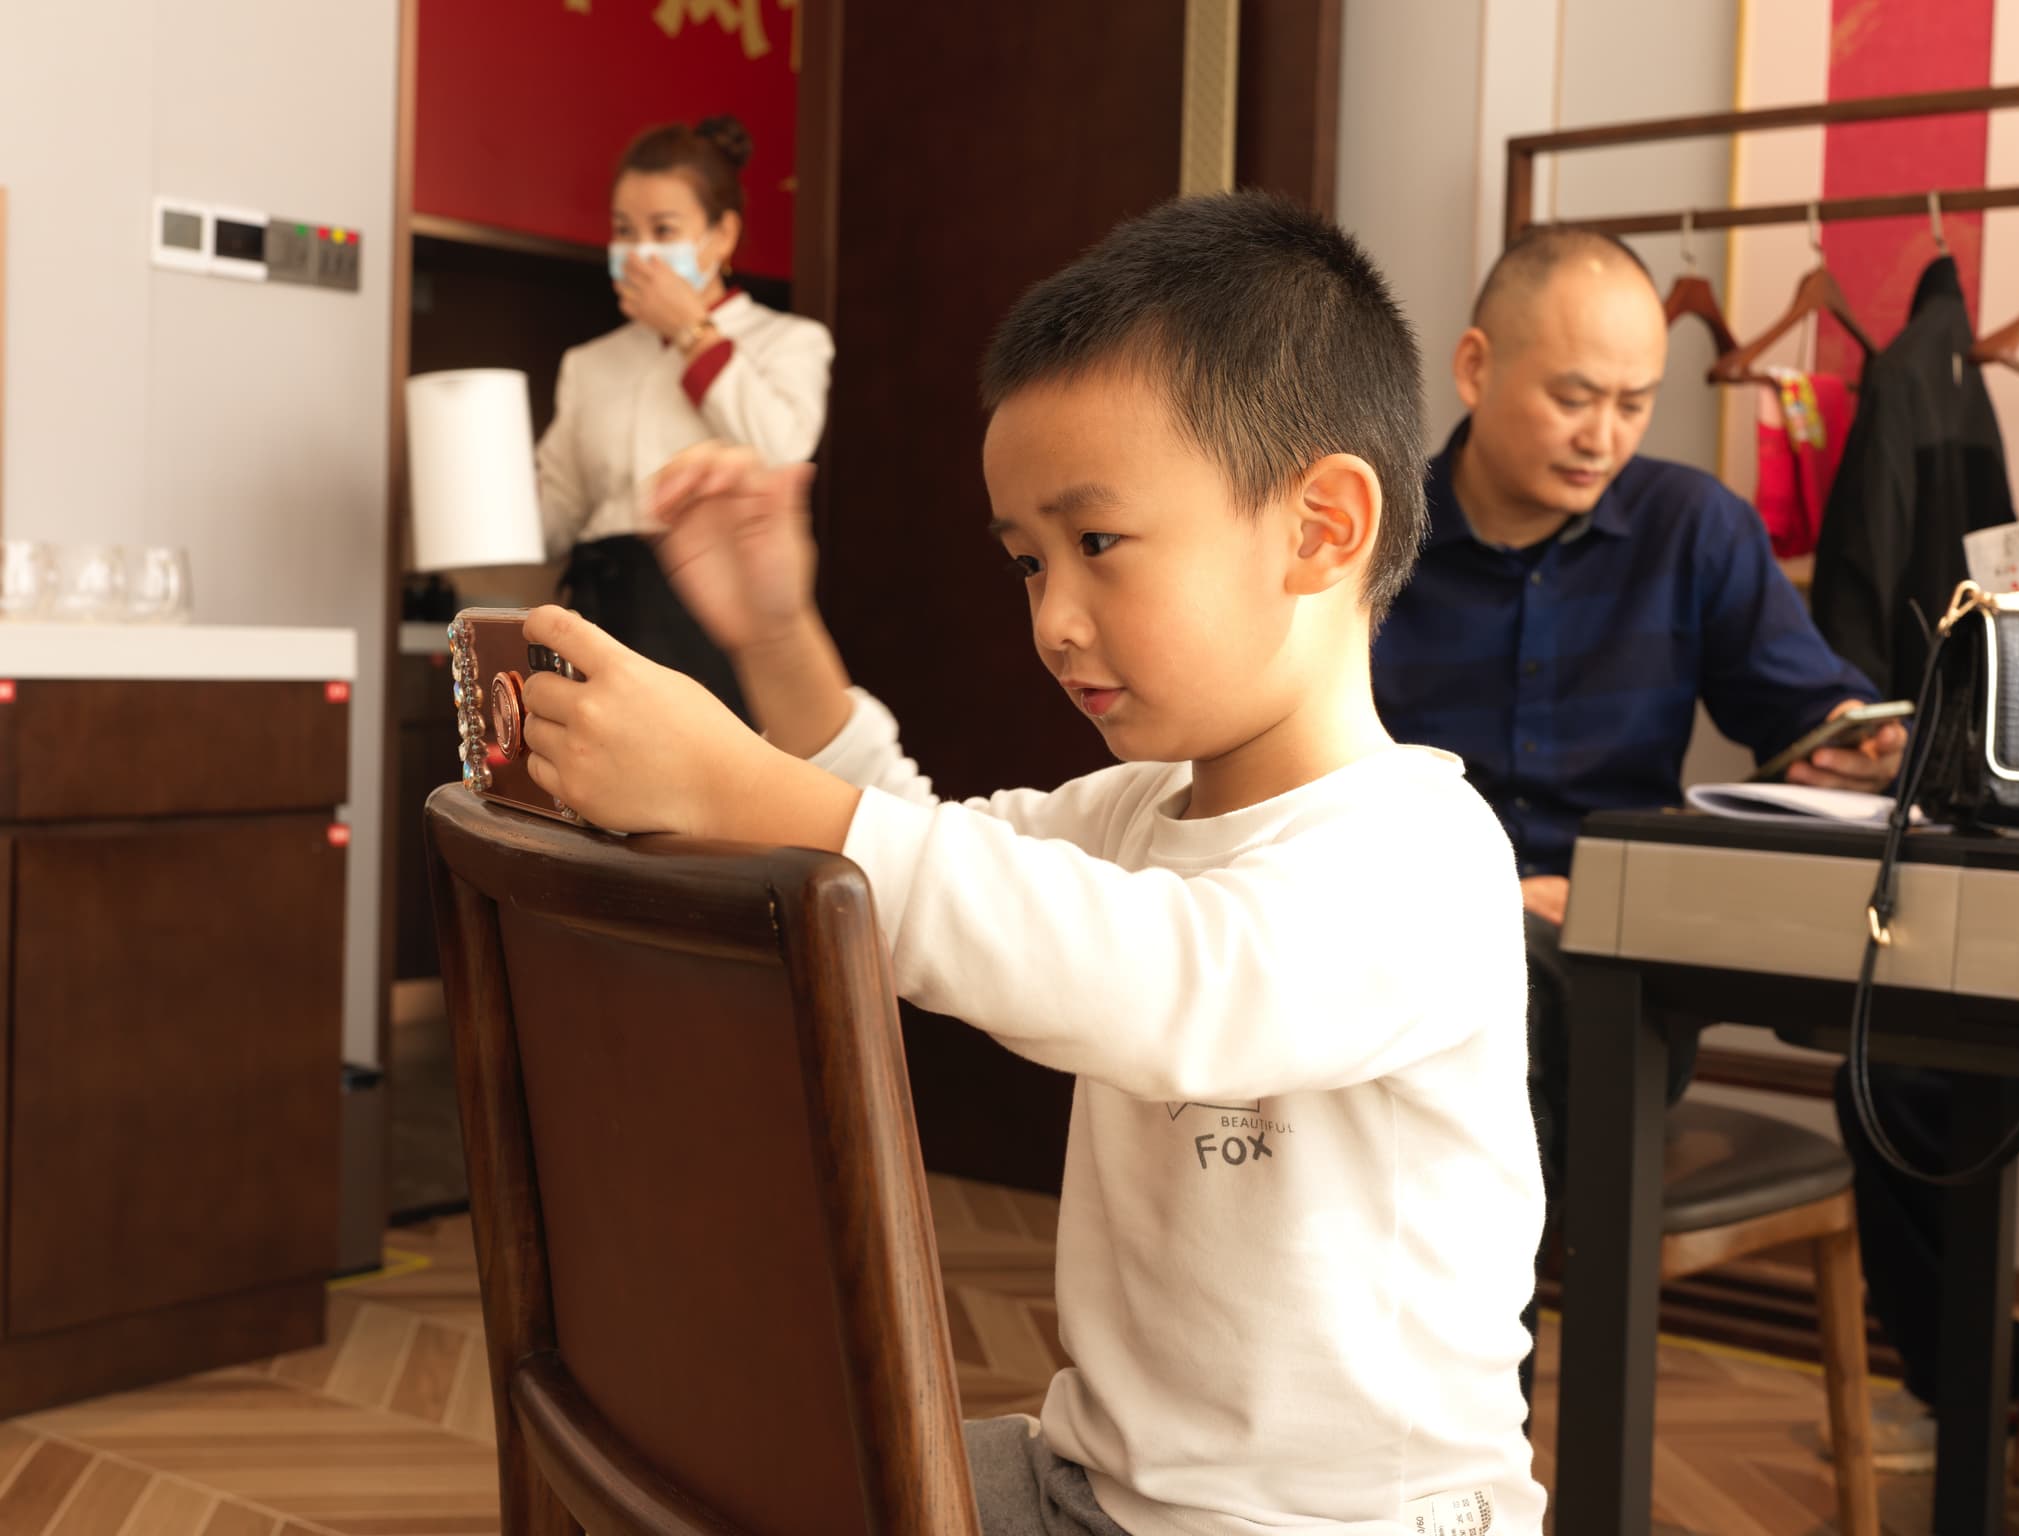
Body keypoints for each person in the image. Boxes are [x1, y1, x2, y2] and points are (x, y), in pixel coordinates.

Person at [512, 192, 1548, 1534]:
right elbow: (898, 850)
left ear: (1320, 527)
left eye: (1098, 545)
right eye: (1024, 563)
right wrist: (774, 636)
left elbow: (1168, 985)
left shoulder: (1422, 856)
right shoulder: (1131, 815)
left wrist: (733, 785)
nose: (1054, 620)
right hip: (1101, 1486)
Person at [1370, 228, 1907, 1406]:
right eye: (1572, 397)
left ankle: (1459, 1427)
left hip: (1611, 983)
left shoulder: (1689, 529)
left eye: (1632, 402)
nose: (1603, 436)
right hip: (1403, 954)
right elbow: (1309, 794)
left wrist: (1857, 742)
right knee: (1474, 983)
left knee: (1498, 1026)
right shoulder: (1369, 545)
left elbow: (1799, 714)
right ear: (1472, 366)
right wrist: (1482, 898)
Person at [536, 116, 833, 718]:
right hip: (604, 606)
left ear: (721, 236)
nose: (638, 249)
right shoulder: (590, 363)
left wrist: (691, 332)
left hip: (713, 611)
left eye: (662, 229)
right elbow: (555, 512)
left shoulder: (788, 342)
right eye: (624, 230)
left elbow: (783, 449)